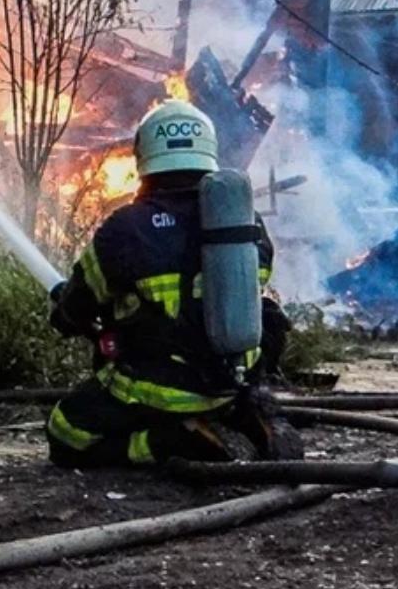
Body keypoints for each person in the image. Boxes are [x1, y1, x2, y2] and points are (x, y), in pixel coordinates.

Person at [45, 101, 297, 467]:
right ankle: (247, 417)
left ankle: (170, 442)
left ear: (144, 157)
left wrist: (66, 316)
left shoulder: (126, 229)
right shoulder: (242, 223)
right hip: (231, 380)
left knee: (66, 434)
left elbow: (81, 304)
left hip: (159, 388)